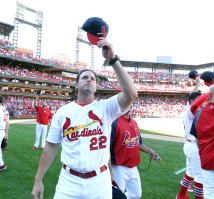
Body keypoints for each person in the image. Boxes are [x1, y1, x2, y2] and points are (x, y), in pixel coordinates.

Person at [31, 38, 138, 199]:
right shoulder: (63, 112)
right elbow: (51, 146)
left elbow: (131, 94)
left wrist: (113, 59)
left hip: (99, 181)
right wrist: (38, 179)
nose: (89, 79)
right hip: (69, 180)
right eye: (85, 78)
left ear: (96, 86)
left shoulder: (106, 108)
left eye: (93, 79)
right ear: (76, 85)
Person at [110, 105, 161, 199]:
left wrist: (150, 150)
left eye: (130, 102)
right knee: (116, 196)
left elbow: (139, 143)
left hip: (133, 166)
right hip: (118, 167)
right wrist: (109, 170)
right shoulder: (114, 122)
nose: (128, 105)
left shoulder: (134, 122)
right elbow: (107, 148)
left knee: (136, 194)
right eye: (126, 102)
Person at [176, 77, 210, 199]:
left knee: (190, 172)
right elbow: (196, 103)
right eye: (199, 100)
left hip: (191, 144)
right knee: (200, 176)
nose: (202, 102)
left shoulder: (192, 109)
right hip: (193, 145)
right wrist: (209, 93)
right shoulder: (191, 110)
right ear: (192, 101)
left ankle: (181, 195)